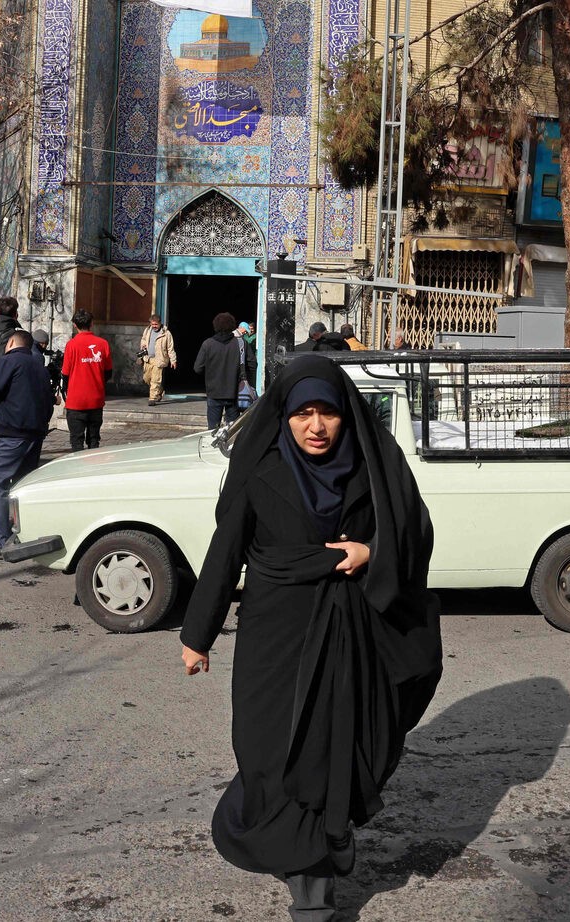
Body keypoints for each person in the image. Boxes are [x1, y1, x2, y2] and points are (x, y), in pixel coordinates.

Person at [178, 354, 443, 922]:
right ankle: (307, 843)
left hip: (352, 633)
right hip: (274, 640)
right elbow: (224, 554)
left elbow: (414, 532)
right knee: (268, 753)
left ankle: (313, 883)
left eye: (328, 412)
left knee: (333, 751)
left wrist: (371, 552)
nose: (316, 426)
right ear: (285, 416)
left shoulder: (374, 466)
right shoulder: (262, 471)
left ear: (347, 414)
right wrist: (198, 635)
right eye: (303, 413)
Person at [0, 330, 54, 560]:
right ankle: (26, 533)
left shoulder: (9, 361)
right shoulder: (39, 365)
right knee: (23, 484)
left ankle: (2, 541)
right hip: (35, 433)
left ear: (11, 342)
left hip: (12, 432)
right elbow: (49, 400)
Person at [60, 309, 113, 451]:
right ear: (92, 323)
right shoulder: (103, 344)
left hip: (76, 401)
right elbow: (108, 372)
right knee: (94, 440)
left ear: (74, 325)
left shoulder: (71, 345)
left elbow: (65, 373)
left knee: (76, 442)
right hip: (96, 399)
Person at [194, 312, 245, 431]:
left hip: (214, 392)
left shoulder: (207, 344)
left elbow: (198, 368)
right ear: (233, 326)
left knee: (212, 430)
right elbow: (252, 365)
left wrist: (211, 374)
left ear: (215, 326)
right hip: (234, 393)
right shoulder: (241, 344)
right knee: (232, 430)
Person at [137, 314, 177, 406]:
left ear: (160, 323)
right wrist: (143, 345)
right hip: (148, 359)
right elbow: (143, 339)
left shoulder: (166, 333)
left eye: (156, 324)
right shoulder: (147, 330)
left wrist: (173, 360)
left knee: (155, 380)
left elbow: (170, 348)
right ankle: (159, 391)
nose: (154, 326)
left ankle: (152, 398)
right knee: (147, 379)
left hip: (159, 360)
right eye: (152, 324)